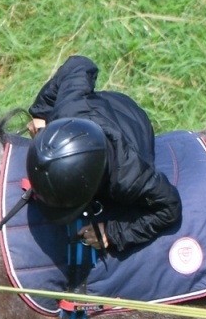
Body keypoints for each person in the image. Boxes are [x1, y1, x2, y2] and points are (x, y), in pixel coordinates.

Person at [25, 55, 182, 252]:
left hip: (134, 122)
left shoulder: (129, 176)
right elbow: (79, 64)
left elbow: (170, 208)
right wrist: (41, 113)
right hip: (101, 106)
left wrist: (112, 232)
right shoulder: (66, 109)